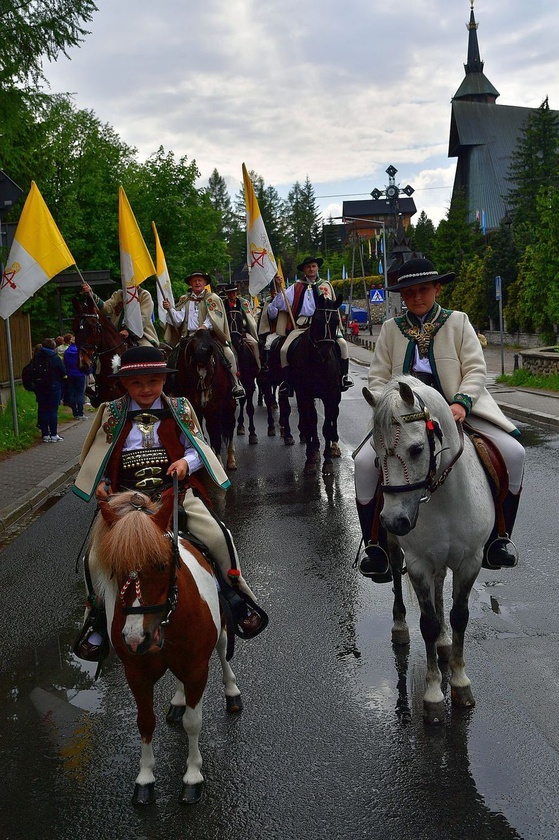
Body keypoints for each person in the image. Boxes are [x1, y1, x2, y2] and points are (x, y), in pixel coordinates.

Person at [72, 345, 267, 662]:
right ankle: (95, 617)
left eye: (153, 381)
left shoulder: (180, 407)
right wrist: (104, 487)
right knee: (93, 559)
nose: (146, 389)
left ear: (164, 379)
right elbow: (101, 459)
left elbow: (196, 448)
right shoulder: (111, 412)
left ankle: (236, 595)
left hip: (172, 492)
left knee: (219, 537)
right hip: (125, 498)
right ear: (124, 384)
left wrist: (186, 465)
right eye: (137, 383)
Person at [353, 257, 525, 581]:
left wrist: (461, 402)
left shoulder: (458, 322)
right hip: (404, 421)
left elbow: (476, 368)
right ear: (402, 297)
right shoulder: (391, 330)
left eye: (423, 290)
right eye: (409, 293)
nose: (416, 297)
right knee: (364, 463)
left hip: (457, 410)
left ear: (437, 289)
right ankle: (375, 546)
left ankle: (499, 538)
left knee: (515, 454)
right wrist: (385, 406)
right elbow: (376, 378)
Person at [267, 256, 354, 390]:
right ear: (304, 270)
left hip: (325, 327)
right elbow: (281, 305)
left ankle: (344, 377)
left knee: (342, 344)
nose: (311, 269)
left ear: (317, 268)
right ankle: (286, 382)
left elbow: (333, 307)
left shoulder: (326, 285)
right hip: (301, 326)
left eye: (313, 266)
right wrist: (279, 290)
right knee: (284, 350)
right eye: (308, 267)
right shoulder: (296, 287)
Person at [162, 270, 245, 399]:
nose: (197, 282)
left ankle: (236, 383)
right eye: (194, 280)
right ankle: (170, 386)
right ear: (190, 283)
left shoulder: (213, 298)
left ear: (205, 282)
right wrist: (170, 310)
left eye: (200, 280)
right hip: (189, 336)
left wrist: (204, 326)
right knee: (174, 355)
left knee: (228, 352)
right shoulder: (185, 299)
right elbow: (178, 320)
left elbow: (216, 317)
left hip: (208, 336)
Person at [81, 282, 159, 347]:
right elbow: (106, 308)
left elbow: (144, 317)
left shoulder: (144, 295)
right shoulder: (118, 294)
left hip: (140, 334)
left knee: (147, 350)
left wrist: (129, 331)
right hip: (116, 333)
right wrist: (92, 295)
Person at [223, 282, 261, 369]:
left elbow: (249, 319)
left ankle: (259, 366)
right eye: (229, 292)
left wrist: (244, 325)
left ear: (237, 292)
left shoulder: (243, 302)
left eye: (233, 292)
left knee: (254, 343)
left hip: (242, 331)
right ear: (227, 294)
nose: (232, 294)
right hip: (228, 333)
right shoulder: (222, 304)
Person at [35, 338, 67, 442]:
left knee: (43, 409)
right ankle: (54, 434)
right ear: (53, 347)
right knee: (53, 410)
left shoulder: (36, 357)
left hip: (40, 387)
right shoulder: (55, 357)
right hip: (54, 386)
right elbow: (63, 371)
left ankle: (45, 434)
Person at [63, 335, 87, 419]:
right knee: (80, 394)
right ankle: (81, 413)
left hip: (70, 374)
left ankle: (75, 413)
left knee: (72, 394)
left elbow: (64, 363)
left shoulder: (67, 352)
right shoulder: (80, 351)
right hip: (80, 374)